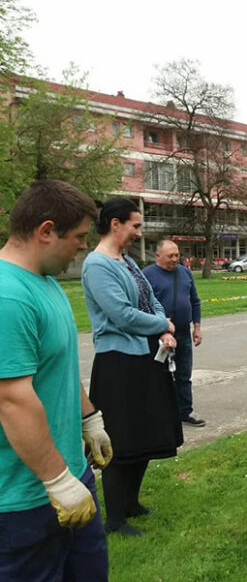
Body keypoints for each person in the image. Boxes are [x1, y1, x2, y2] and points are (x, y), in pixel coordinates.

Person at [0, 180, 112, 580]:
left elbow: (57, 365)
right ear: (46, 231)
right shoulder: (7, 296)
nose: (84, 245)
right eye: (79, 236)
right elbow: (11, 400)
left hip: (70, 475)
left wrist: (89, 420)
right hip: (25, 496)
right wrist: (57, 480)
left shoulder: (45, 283)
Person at [82, 198, 183, 536]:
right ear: (115, 224)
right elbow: (121, 314)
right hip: (118, 364)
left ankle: (131, 503)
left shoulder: (126, 260)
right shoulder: (97, 265)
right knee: (121, 439)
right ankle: (114, 519)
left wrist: (163, 327)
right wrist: (162, 326)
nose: (139, 232)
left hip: (143, 357)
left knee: (144, 432)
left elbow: (150, 298)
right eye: (135, 225)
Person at [143, 239, 206, 427]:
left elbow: (195, 301)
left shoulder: (184, 272)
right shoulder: (147, 275)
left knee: (184, 375)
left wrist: (197, 327)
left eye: (177, 255)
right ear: (158, 256)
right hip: (158, 336)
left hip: (183, 334)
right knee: (159, 376)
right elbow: (144, 305)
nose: (175, 259)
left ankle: (185, 411)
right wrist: (161, 328)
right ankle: (161, 413)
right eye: (170, 256)